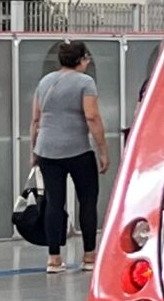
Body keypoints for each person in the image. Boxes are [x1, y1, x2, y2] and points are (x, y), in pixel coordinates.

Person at [30, 41, 108, 273]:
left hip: (47, 150)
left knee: (54, 203)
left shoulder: (45, 82)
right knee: (87, 201)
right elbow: (92, 117)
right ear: (81, 60)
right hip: (78, 151)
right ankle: (89, 257)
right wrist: (103, 149)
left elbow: (36, 119)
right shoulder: (86, 82)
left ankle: (54, 259)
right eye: (86, 58)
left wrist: (34, 151)